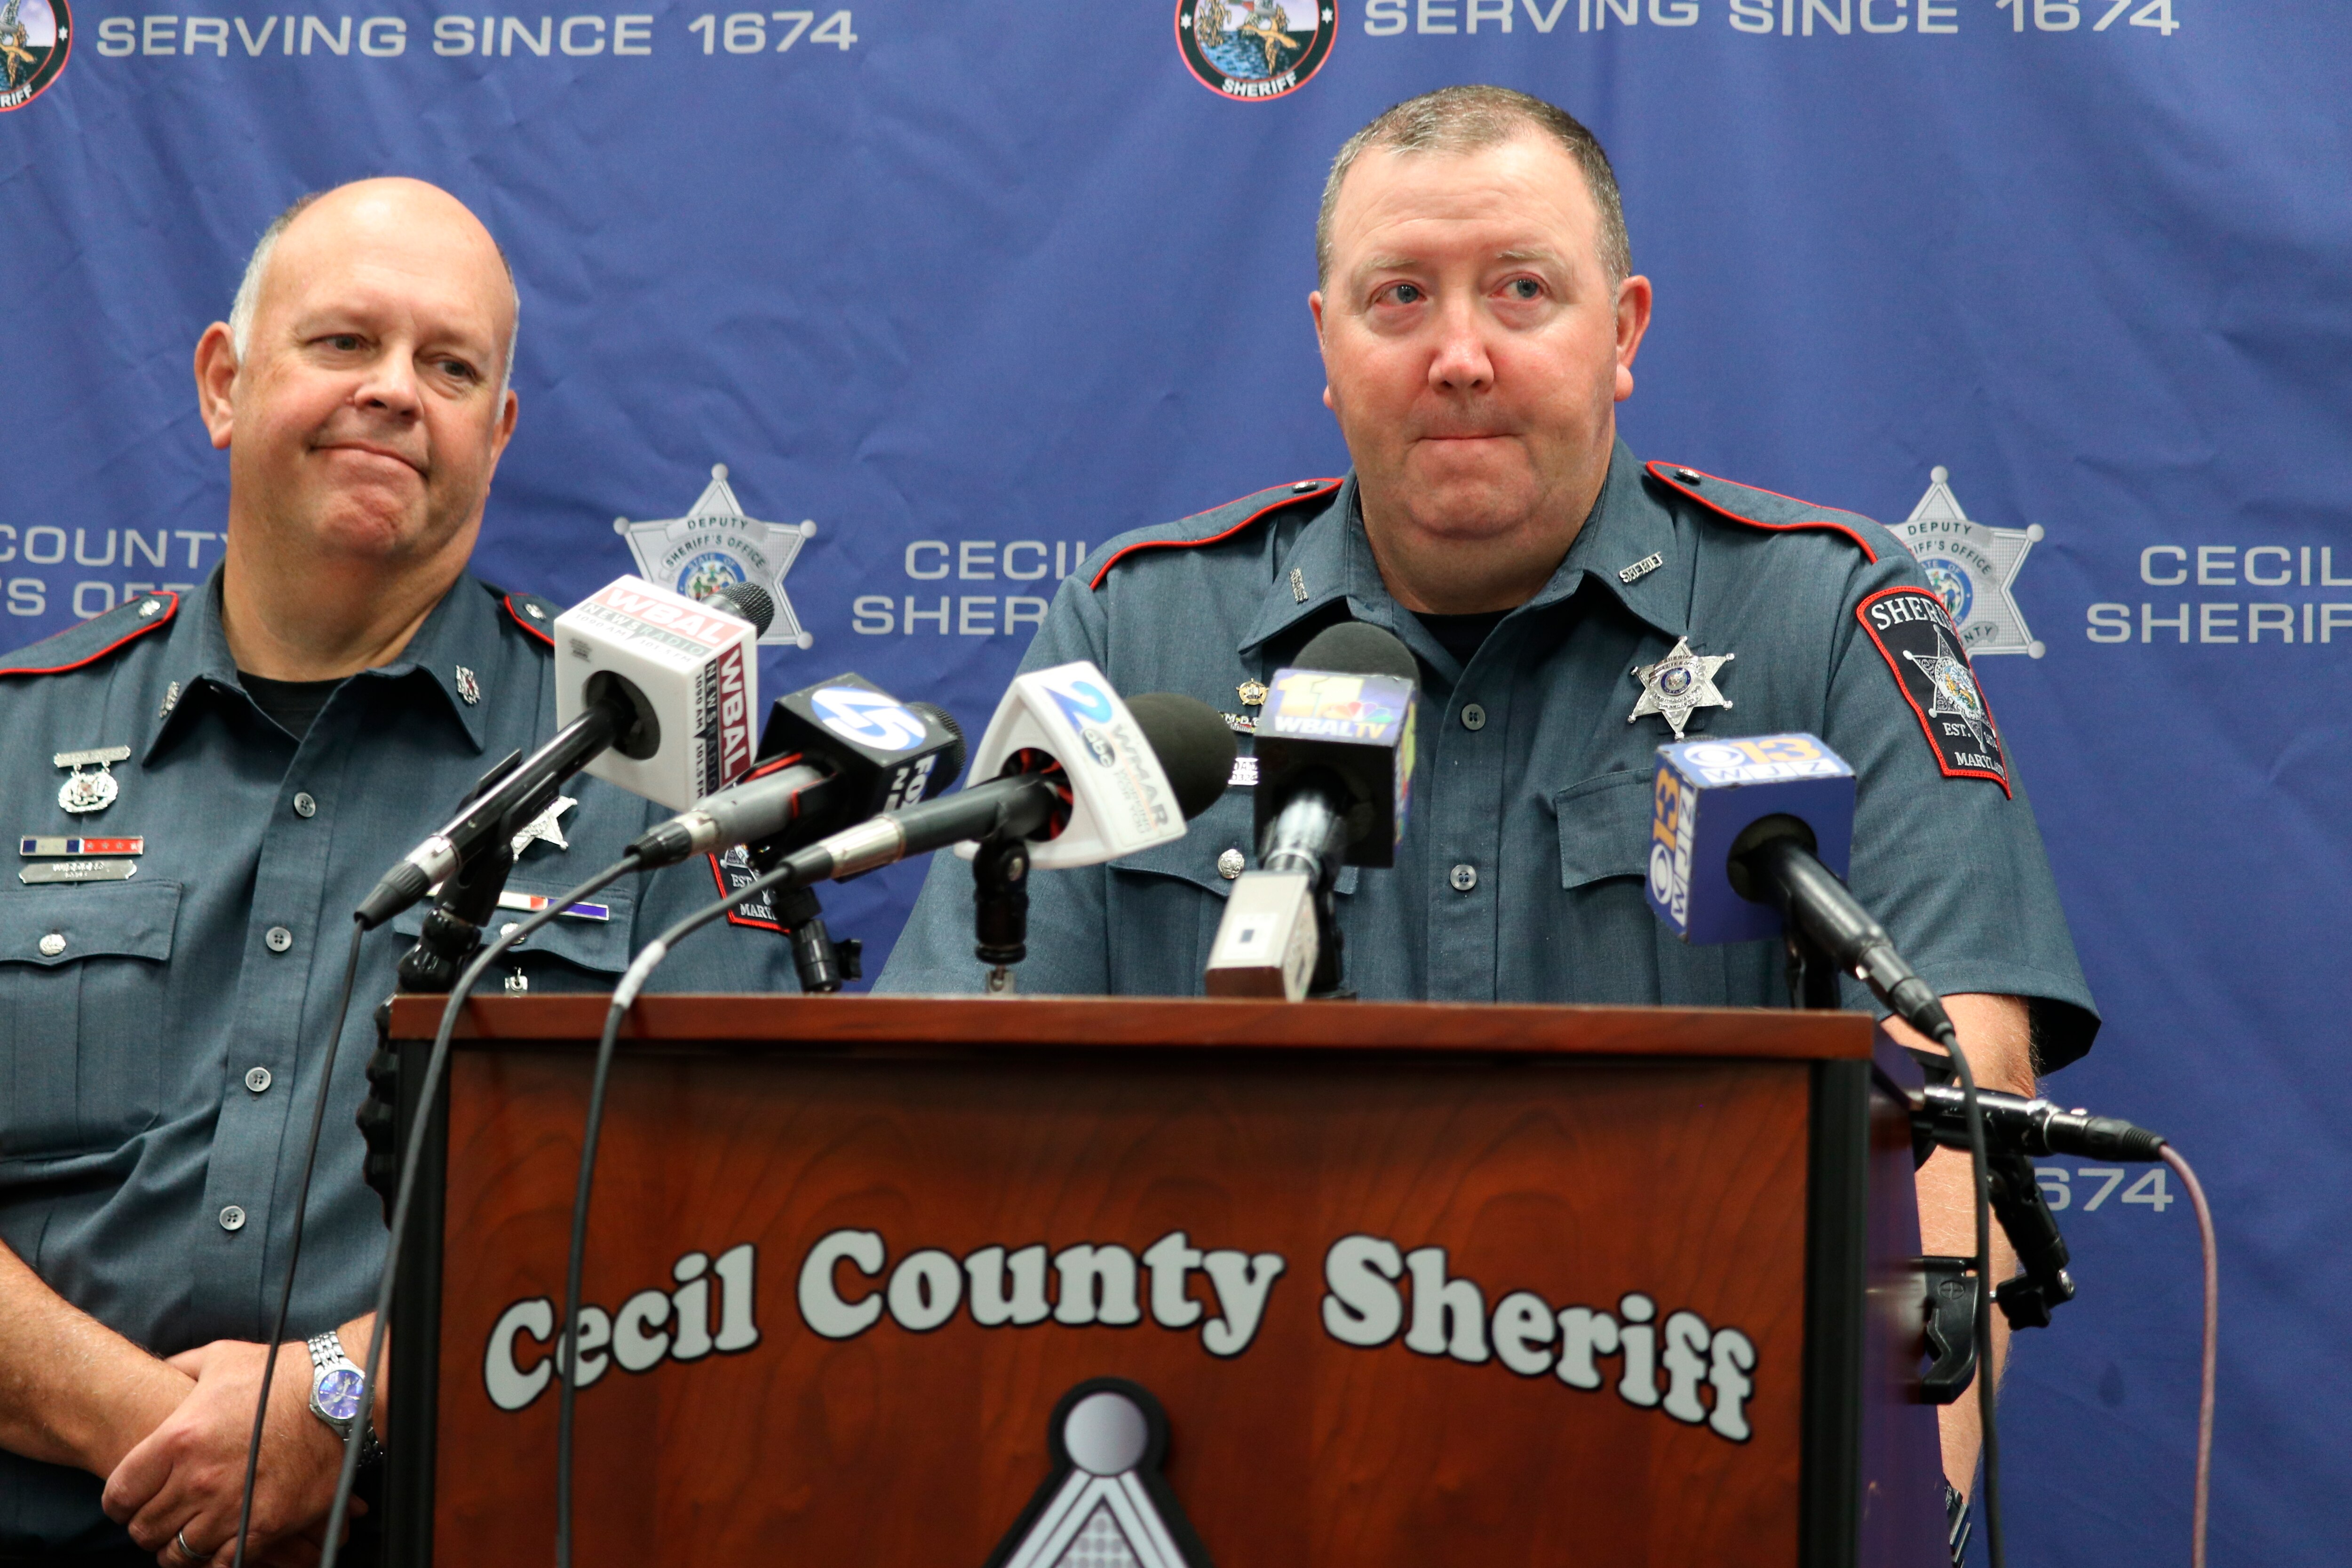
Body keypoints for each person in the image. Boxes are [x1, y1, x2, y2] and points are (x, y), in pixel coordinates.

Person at [877, 86, 2098, 1531]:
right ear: (1327, 347)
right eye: (1400, 298)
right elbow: (951, 1113)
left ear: (1625, 332)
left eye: (1523, 290)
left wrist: (1888, 1522)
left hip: (1688, 1486)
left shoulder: (1825, 619)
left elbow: (1952, 1088)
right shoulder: (1133, 638)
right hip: (1210, 1490)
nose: (1461, 355)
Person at [0, 179, 795, 1566]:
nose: (395, 393)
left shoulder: (651, 776)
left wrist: (345, 1395)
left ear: (498, 432)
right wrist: (146, 1429)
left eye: (450, 367)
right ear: (222, 383)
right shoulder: (18, 741)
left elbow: (738, 1216)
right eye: (344, 344)